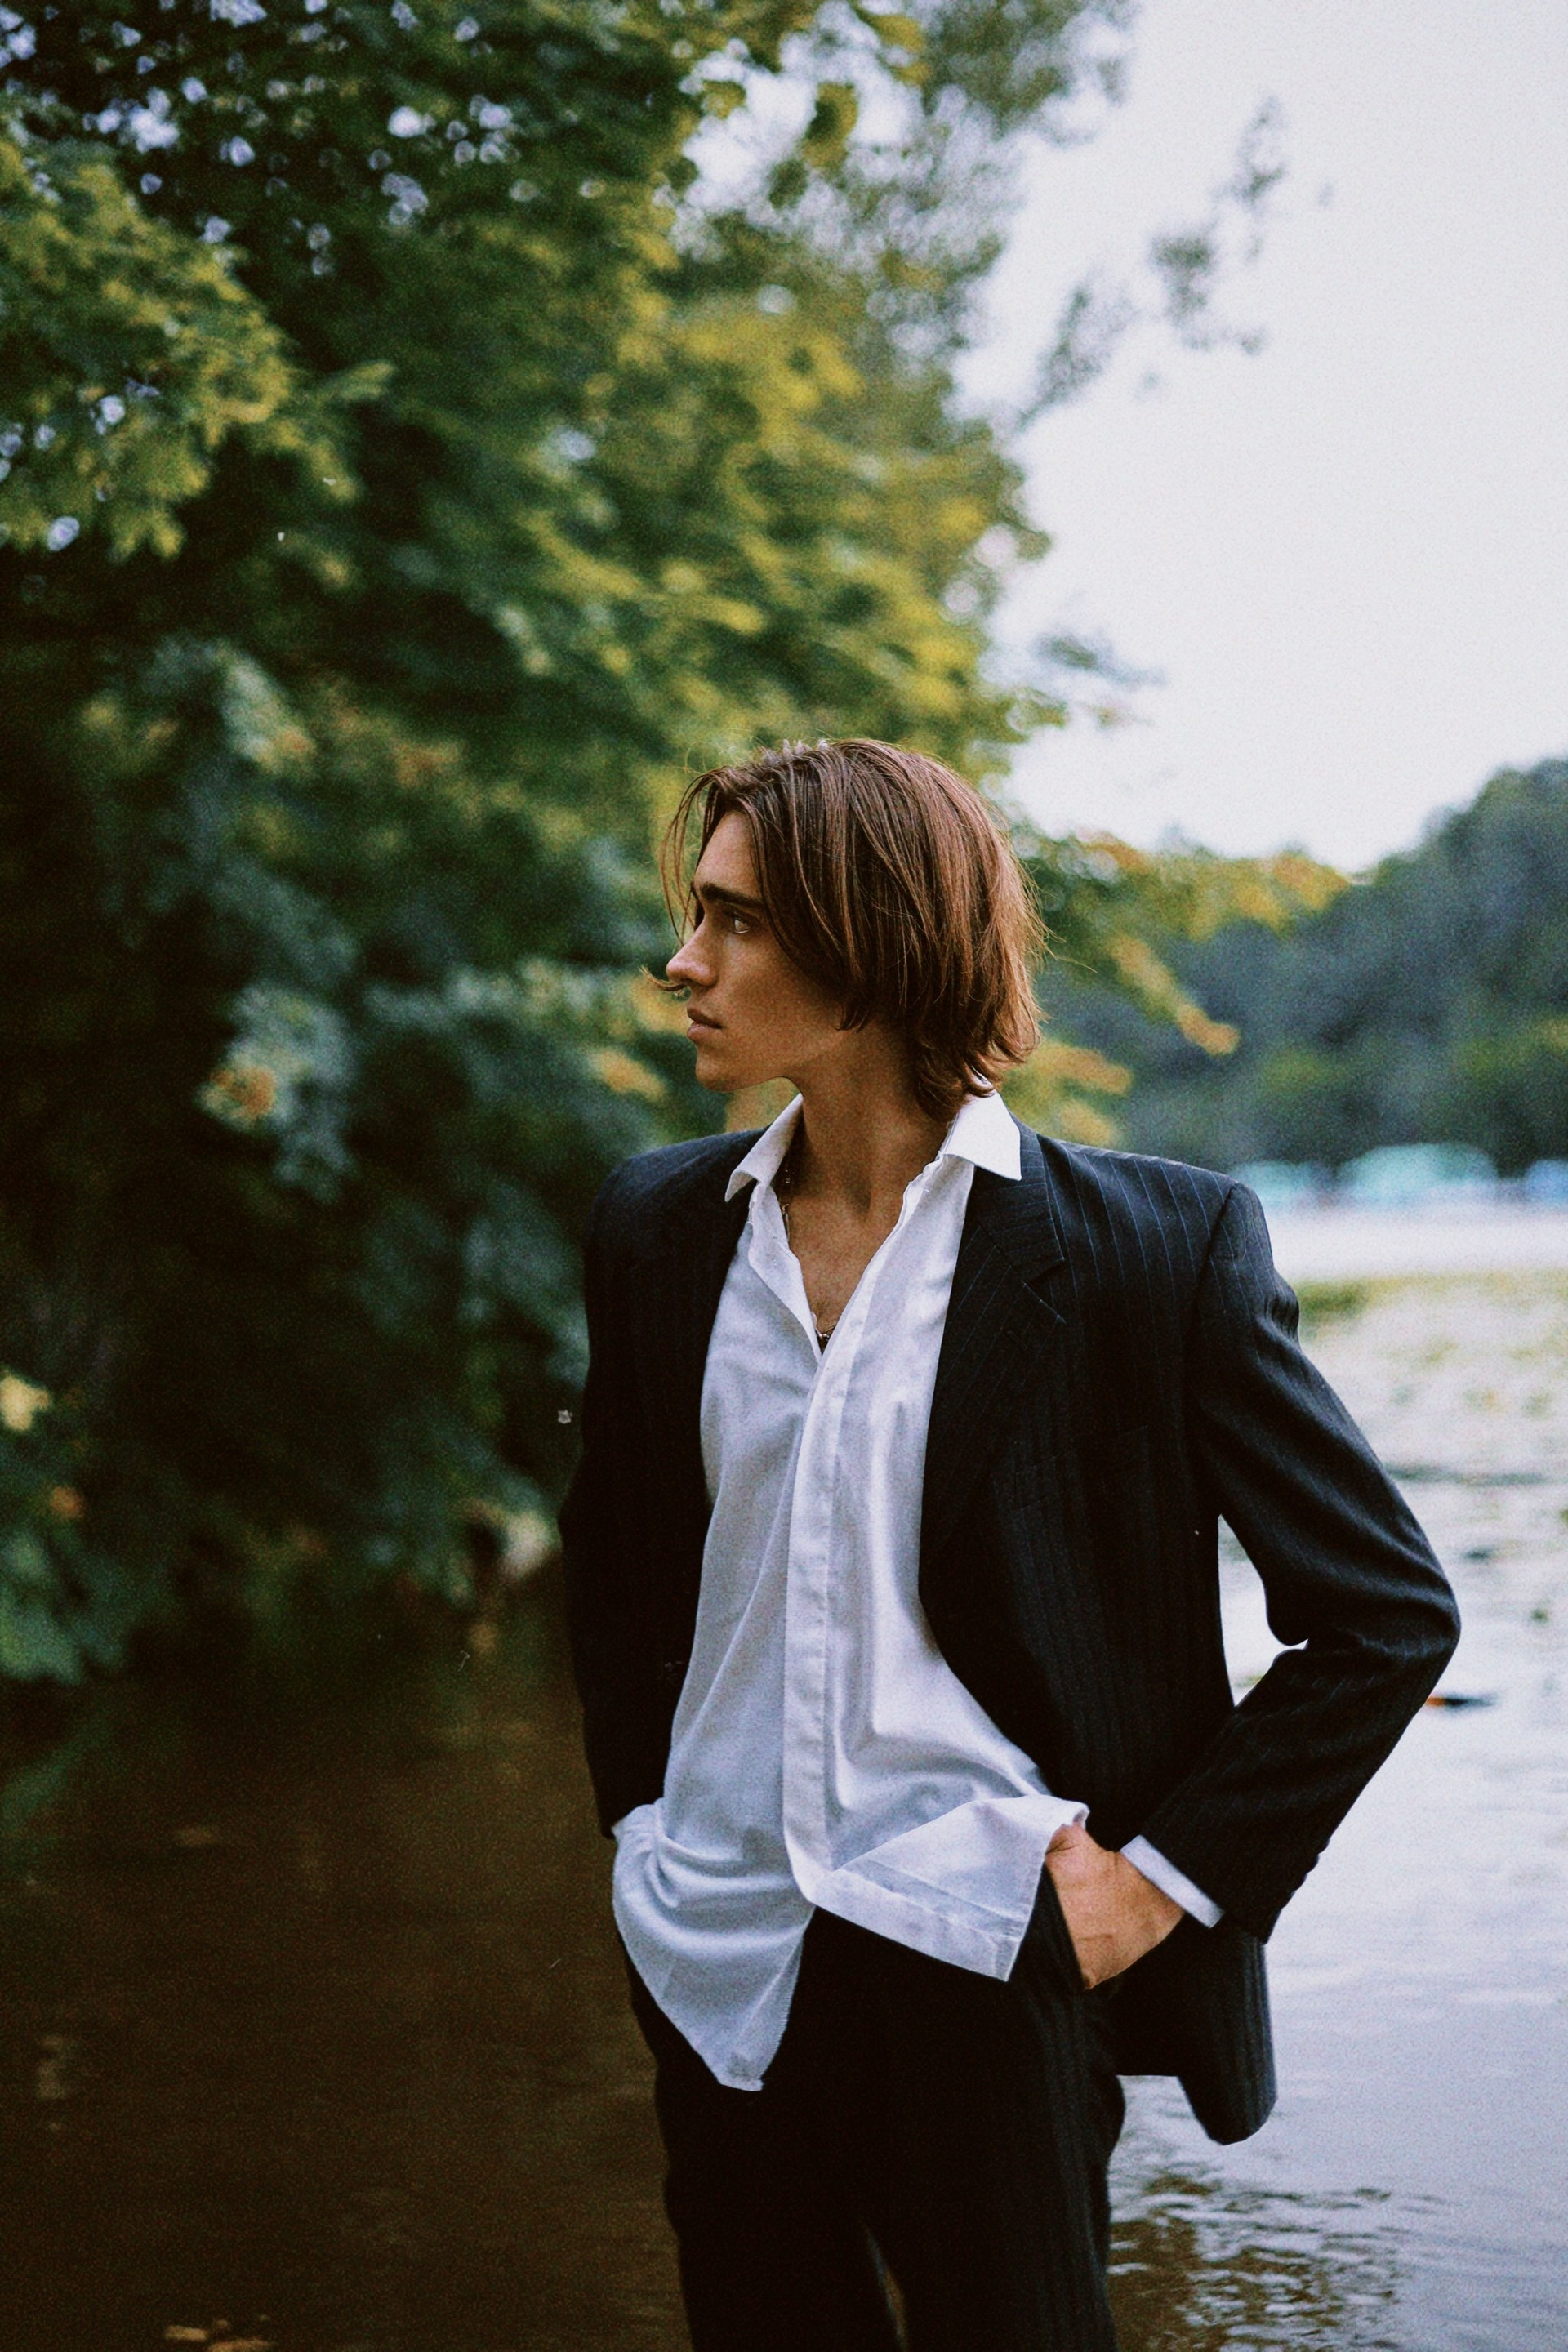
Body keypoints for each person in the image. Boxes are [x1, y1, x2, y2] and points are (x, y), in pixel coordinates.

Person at [559, 738, 1459, 2351]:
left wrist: (1155, 1889)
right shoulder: (654, 1230)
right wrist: (645, 1835)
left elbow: (1385, 1616)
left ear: (874, 946)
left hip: (985, 1947)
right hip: (720, 1944)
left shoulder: (1152, 1254)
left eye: (736, 922)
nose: (682, 961)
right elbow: (616, 1574)